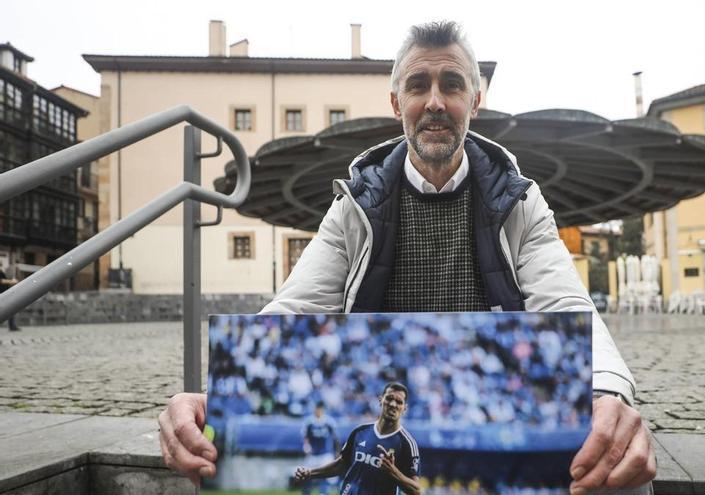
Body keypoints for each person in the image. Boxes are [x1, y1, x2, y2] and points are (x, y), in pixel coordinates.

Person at [159, 21, 655, 493]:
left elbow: (566, 302)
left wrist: (607, 392)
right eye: (419, 85)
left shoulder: (521, 200)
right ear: (397, 102)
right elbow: (294, 308)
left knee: (622, 470)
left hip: (486, 408)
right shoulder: (352, 206)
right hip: (374, 401)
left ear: (475, 102)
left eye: (452, 85)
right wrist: (215, 398)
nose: (435, 102)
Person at [291, 382, 421, 495]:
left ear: (404, 408)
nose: (393, 404)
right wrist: (310, 473)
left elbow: (416, 490)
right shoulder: (360, 432)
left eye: (399, 402)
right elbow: (342, 464)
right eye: (389, 398)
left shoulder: (407, 443)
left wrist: (393, 471)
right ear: (381, 400)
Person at [295, 401, 340, 495]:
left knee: (325, 476)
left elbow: (335, 438)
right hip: (313, 454)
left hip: (326, 454)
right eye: (317, 408)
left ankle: (323, 493)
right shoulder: (309, 422)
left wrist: (337, 452)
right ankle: (306, 492)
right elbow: (305, 437)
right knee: (306, 475)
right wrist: (306, 445)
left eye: (320, 408)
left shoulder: (329, 421)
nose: (318, 410)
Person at [0, 263, 21, 331]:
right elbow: (1, 281)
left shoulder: (2, 271)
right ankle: (12, 326)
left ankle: (12, 325)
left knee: (10, 309)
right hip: (2, 294)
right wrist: (12, 281)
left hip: (4, 293)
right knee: (10, 308)